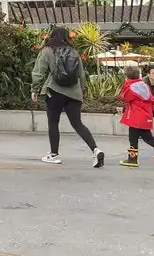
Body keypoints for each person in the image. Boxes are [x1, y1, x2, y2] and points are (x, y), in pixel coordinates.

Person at [31, 27, 105, 167]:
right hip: (74, 93)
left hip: (54, 91)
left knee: (53, 123)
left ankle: (54, 154)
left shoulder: (47, 51)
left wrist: (34, 90)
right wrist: (80, 92)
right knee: (78, 124)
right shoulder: (74, 52)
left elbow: (38, 73)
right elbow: (82, 76)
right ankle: (96, 150)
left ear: (52, 36)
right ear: (67, 37)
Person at [118, 65, 154, 167]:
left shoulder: (130, 88)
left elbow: (124, 98)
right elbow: (151, 98)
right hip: (146, 116)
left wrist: (125, 86)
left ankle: (132, 159)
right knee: (148, 138)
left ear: (127, 76)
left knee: (133, 138)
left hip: (135, 117)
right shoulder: (144, 86)